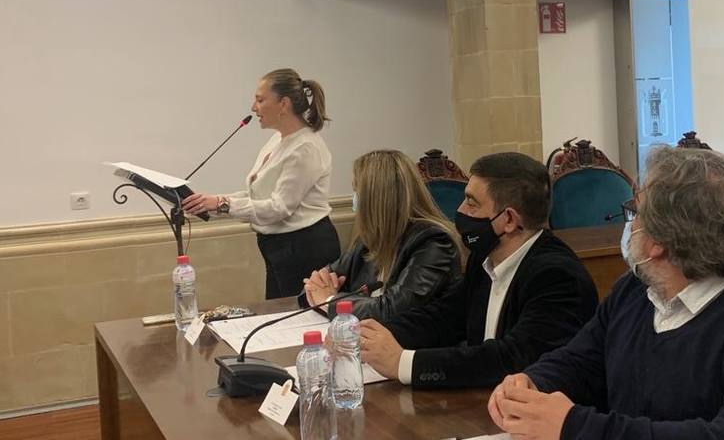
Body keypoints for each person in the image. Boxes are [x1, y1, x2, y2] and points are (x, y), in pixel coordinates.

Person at [488, 146, 724, 439]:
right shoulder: (637, 291)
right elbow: (582, 361)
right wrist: (532, 383)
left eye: (635, 212)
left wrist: (574, 427)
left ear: (658, 242)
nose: (630, 223)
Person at [356, 152, 599, 389]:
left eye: (472, 203)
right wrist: (369, 336)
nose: (460, 211)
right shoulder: (484, 258)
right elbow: (444, 318)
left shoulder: (557, 276)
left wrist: (403, 363)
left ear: (509, 220)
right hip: (483, 403)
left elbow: (511, 359)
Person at [183, 68, 340, 299]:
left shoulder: (306, 147)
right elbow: (257, 194)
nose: (253, 108)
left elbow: (279, 208)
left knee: (295, 320)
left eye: (260, 100)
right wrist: (211, 204)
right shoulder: (278, 140)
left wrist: (222, 203)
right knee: (275, 313)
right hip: (278, 246)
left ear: (283, 104)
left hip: (304, 246)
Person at [300, 149, 463, 321]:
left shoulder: (433, 242)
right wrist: (319, 291)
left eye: (356, 190)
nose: (354, 198)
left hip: (414, 345)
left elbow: (392, 311)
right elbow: (312, 288)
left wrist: (330, 300)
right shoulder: (369, 241)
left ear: (374, 199)